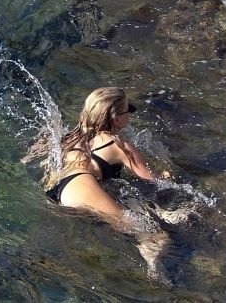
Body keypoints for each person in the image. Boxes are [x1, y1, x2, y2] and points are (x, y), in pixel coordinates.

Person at [42, 87, 170, 279]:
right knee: (155, 236)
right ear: (117, 119)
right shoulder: (119, 146)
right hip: (81, 185)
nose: (130, 114)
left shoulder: (70, 137)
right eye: (129, 110)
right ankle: (155, 276)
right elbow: (151, 181)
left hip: (56, 189)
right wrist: (168, 175)